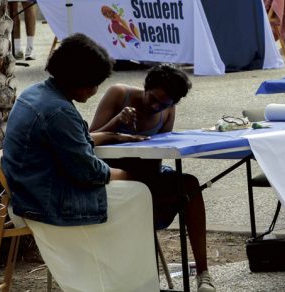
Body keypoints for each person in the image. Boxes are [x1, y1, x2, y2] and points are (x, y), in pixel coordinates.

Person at [1, 33, 158, 290]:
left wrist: (112, 135)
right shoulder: (59, 111)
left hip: (30, 189)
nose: (95, 90)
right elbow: (89, 172)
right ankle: (127, 284)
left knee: (132, 190)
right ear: (79, 80)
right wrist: (130, 174)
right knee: (139, 193)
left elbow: (74, 143)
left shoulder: (37, 93)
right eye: (94, 84)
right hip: (44, 201)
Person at [89, 65, 217, 292]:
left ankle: (203, 273)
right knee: (143, 195)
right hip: (114, 179)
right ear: (146, 87)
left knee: (190, 186)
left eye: (165, 104)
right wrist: (117, 124)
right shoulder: (119, 94)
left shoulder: (168, 112)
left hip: (147, 176)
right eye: (154, 99)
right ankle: (145, 281)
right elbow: (89, 141)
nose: (156, 107)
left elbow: (159, 153)